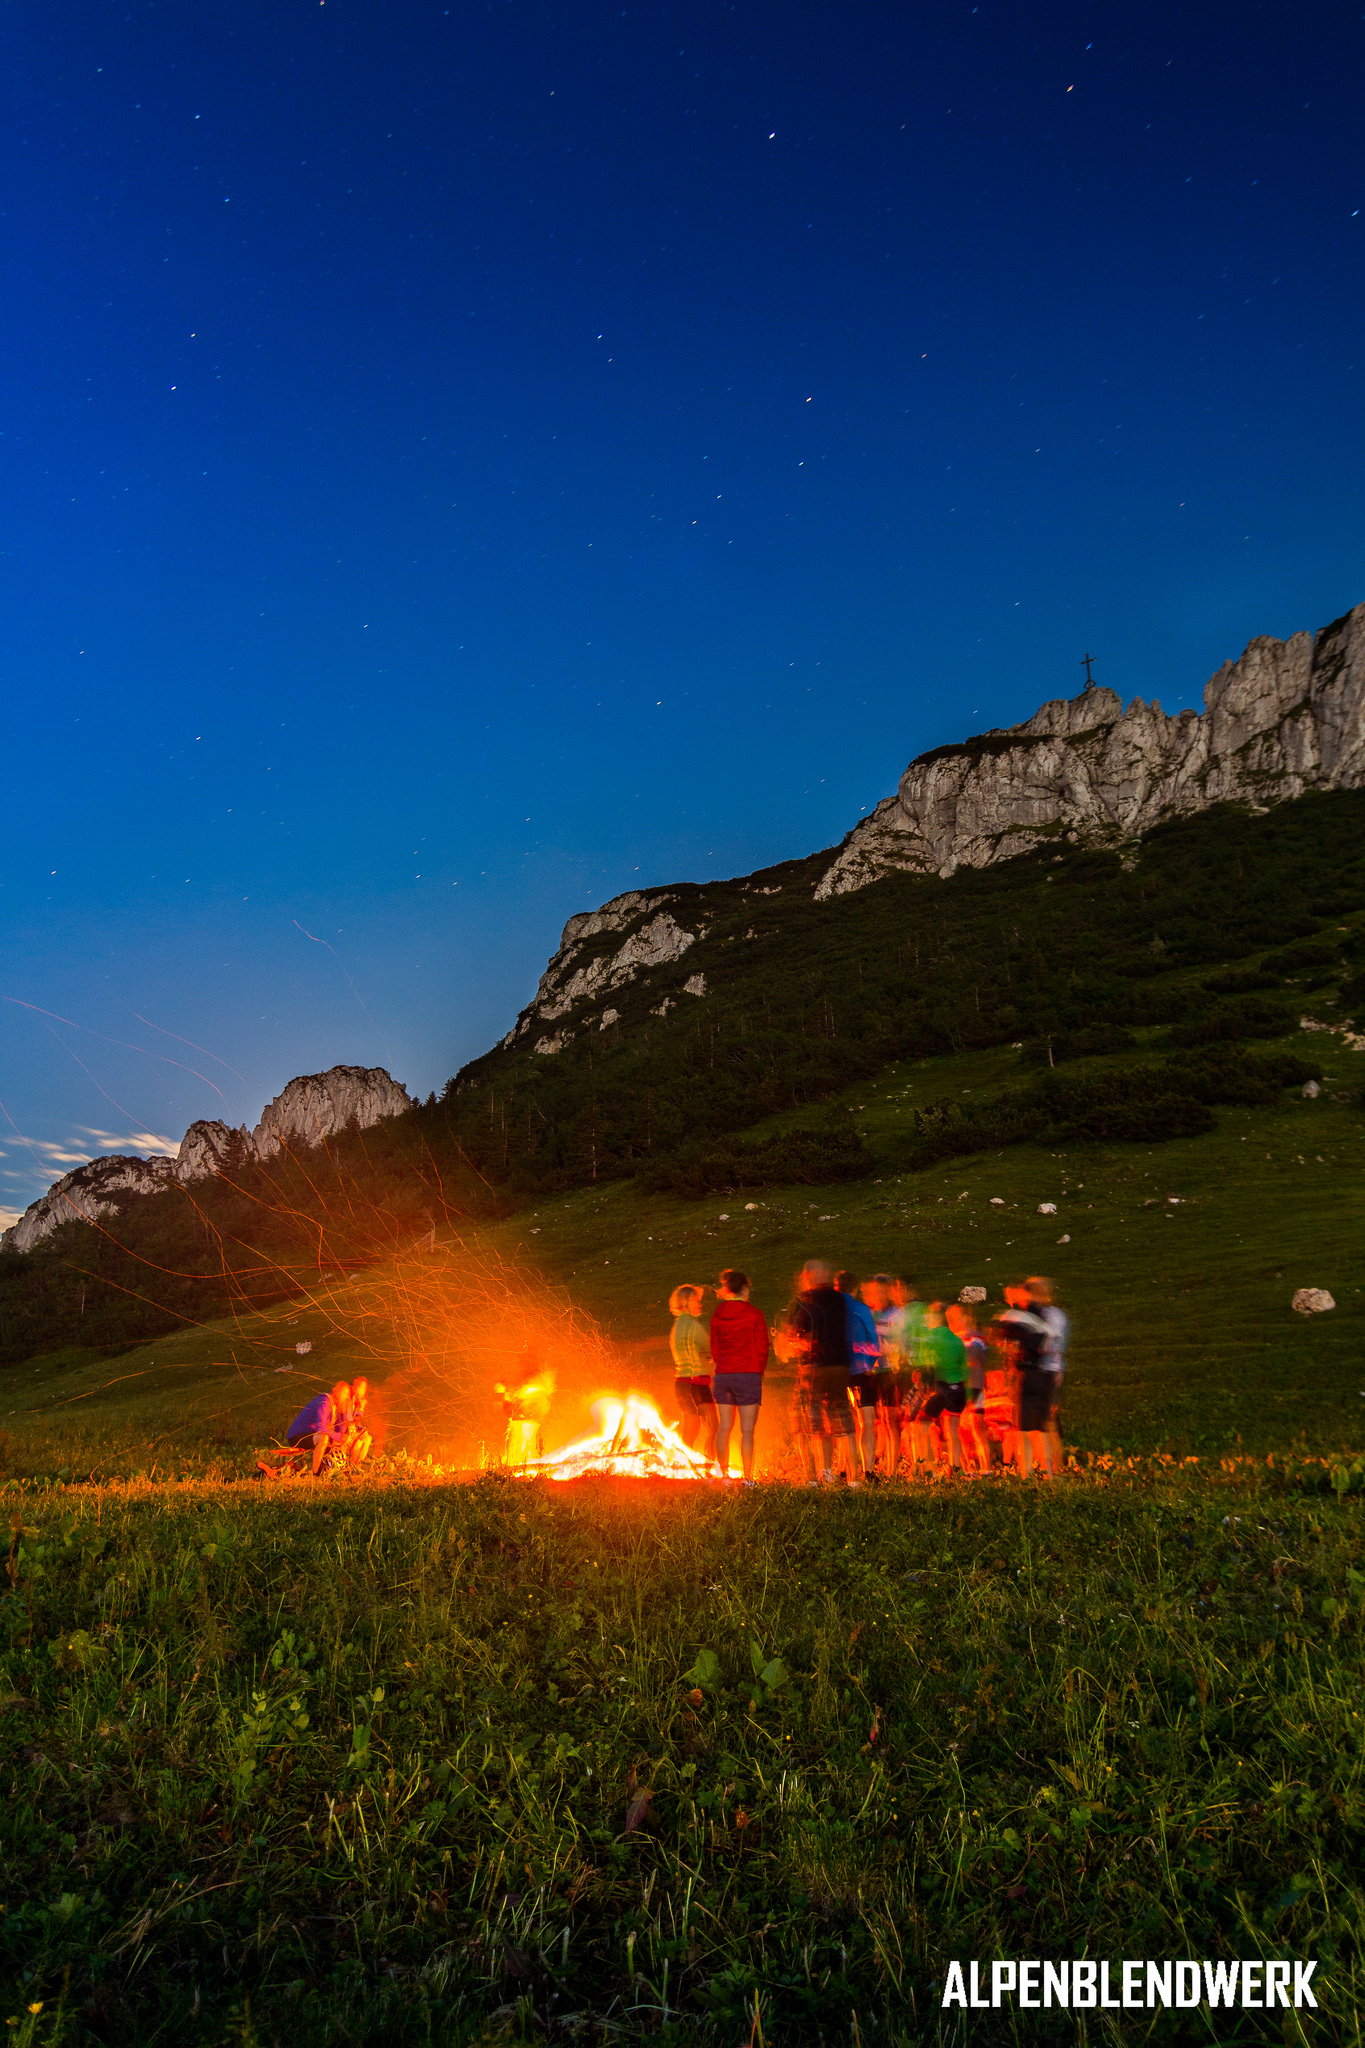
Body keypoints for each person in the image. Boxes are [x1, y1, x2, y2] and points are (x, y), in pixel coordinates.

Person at [782, 1259, 860, 1487]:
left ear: (807, 1276)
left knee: (807, 1422)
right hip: (839, 1366)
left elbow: (795, 1335)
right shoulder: (839, 1299)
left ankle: (812, 1477)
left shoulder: (803, 1302)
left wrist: (793, 1342)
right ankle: (853, 1478)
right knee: (842, 1422)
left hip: (813, 1368)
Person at [708, 1268, 769, 1485]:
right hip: (748, 1375)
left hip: (723, 1375)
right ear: (743, 1288)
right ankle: (748, 1478)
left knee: (724, 1427)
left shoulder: (717, 1315)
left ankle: (723, 1475)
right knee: (747, 1431)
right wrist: (758, 1371)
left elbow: (714, 1349)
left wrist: (723, 1363)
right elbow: (762, 1347)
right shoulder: (754, 1314)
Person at [995, 1283, 1056, 1478]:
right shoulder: (1046, 1316)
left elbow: (1005, 1341)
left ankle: (1025, 1472)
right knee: (1041, 1428)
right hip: (1044, 1373)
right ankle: (1049, 1473)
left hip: (1027, 1373)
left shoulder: (1017, 1317)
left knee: (1023, 1429)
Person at [837, 1270, 882, 1480]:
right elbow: (873, 1340)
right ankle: (868, 1470)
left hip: (838, 1370)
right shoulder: (861, 1309)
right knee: (867, 1421)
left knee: (845, 1422)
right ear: (855, 1288)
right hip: (861, 1370)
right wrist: (870, 1360)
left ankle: (844, 1468)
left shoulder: (832, 1309)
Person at [669, 1283, 717, 1468]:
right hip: (696, 1383)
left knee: (690, 1429)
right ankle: (710, 1466)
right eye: (696, 1301)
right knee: (713, 1427)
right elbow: (710, 1349)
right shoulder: (692, 1325)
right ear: (687, 1302)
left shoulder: (677, 1326)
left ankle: (682, 1468)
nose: (700, 1305)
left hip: (681, 1383)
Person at [916, 1305, 969, 1473]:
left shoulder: (930, 1338)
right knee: (953, 1430)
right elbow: (964, 1368)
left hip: (941, 1388)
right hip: (958, 1389)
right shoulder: (957, 1339)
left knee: (921, 1425)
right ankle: (956, 1468)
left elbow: (924, 1364)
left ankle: (927, 1468)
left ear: (934, 1319)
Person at [865, 1273, 908, 1475]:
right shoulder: (869, 1314)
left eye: (882, 1291)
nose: (878, 1295)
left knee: (890, 1419)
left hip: (891, 1371)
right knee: (872, 1420)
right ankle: (870, 1466)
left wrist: (893, 1349)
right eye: (875, 1291)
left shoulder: (898, 1314)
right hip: (871, 1372)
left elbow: (905, 1343)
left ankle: (892, 1469)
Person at [1027, 1274, 1069, 1472]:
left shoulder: (1049, 1316)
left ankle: (1054, 1467)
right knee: (1043, 1423)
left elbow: (1050, 1344)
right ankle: (1048, 1467)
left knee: (1046, 1423)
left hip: (1047, 1371)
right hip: (1045, 1371)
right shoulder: (1049, 1315)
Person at [946, 1304, 991, 1473]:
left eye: (956, 1317)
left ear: (966, 1318)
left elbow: (971, 1356)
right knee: (958, 1429)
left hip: (974, 1385)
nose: (952, 1321)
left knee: (977, 1426)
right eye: (950, 1318)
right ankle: (966, 1469)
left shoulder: (975, 1337)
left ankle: (986, 1468)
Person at [285, 1381, 352, 1476]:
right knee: (324, 1437)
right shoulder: (325, 1402)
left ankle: (337, 1467)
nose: (346, 1397)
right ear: (335, 1392)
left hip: (310, 1435)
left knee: (337, 1440)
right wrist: (339, 1437)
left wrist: (344, 1412)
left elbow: (339, 1430)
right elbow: (321, 1427)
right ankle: (316, 1473)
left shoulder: (334, 1407)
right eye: (345, 1394)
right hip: (297, 1436)